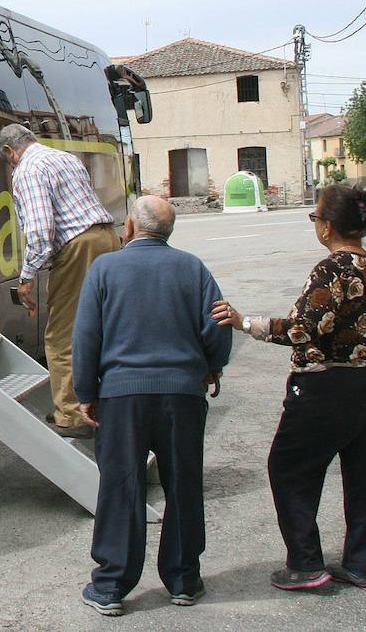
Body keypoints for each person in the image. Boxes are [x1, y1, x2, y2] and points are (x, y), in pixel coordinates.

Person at [212, 184, 366, 594]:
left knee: (289, 467)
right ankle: (362, 566)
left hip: (329, 384)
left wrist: (247, 323)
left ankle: (306, 562)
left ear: (328, 227)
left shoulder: (331, 269)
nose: (314, 224)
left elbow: (302, 328)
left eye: (315, 217)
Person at [72, 195, 232, 617]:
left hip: (121, 397)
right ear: (169, 232)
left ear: (129, 226)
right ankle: (183, 580)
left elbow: (86, 336)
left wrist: (85, 391)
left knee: (121, 487)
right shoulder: (191, 267)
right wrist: (212, 366)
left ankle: (109, 586)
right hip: (182, 394)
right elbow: (217, 321)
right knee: (183, 482)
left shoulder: (104, 269)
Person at [0, 122, 117, 438]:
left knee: (62, 335)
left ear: (10, 151)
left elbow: (40, 231)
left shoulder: (27, 170)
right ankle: (106, 404)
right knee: (101, 327)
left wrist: (26, 277)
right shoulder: (63, 157)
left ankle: (72, 416)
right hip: (106, 238)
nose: (10, 165)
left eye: (7, 159)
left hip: (78, 248)